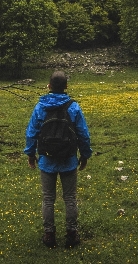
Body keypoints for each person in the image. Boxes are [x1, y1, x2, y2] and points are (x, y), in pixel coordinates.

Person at [24, 70, 92, 248]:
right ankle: (71, 234)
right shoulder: (73, 107)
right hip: (69, 160)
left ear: (49, 86)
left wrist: (31, 155)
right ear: (66, 87)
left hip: (46, 160)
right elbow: (83, 134)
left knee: (48, 199)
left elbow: (32, 133)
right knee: (70, 198)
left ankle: (49, 235)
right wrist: (85, 155)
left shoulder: (40, 107)